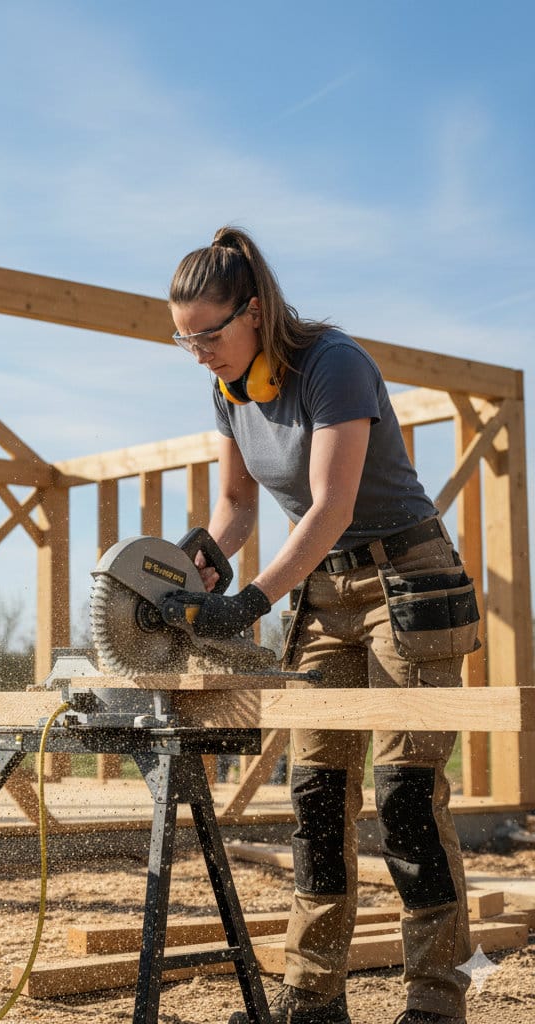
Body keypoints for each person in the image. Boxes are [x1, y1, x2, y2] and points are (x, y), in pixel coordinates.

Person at [167, 227, 478, 1024]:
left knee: (405, 795)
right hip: (322, 592)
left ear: (256, 309)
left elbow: (332, 504)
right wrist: (205, 555)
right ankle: (312, 997)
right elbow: (239, 507)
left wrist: (253, 601)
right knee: (314, 794)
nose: (200, 352)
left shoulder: (332, 364)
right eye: (184, 339)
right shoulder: (229, 387)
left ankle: (436, 1003)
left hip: (408, 582)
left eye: (210, 334)